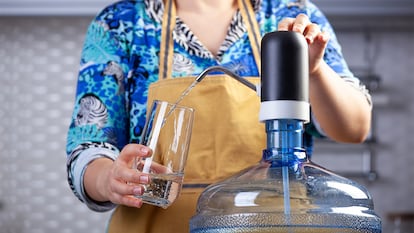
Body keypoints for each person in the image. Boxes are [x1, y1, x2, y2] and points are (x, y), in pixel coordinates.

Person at [66, 0, 372, 232]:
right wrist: (110, 179)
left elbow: (354, 127)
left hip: (271, 222)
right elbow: (88, 147)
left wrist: (315, 72)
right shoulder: (121, 25)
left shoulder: (289, 14)